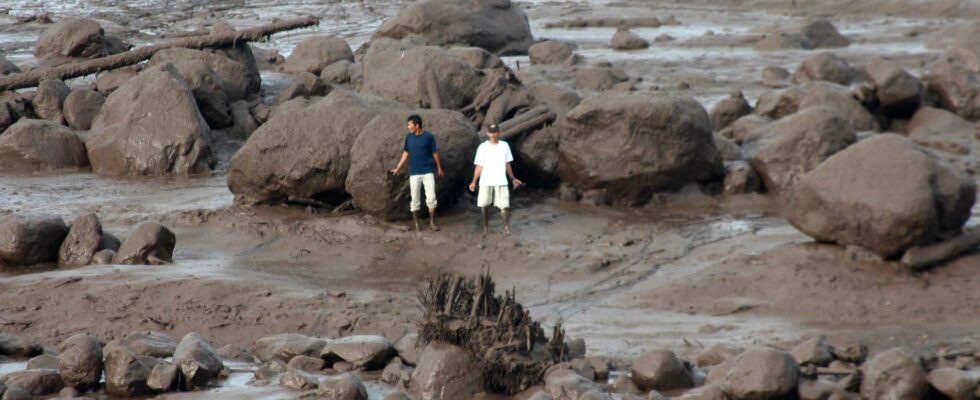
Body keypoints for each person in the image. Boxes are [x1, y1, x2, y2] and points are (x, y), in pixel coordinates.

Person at [390, 114, 444, 231]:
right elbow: (406, 153)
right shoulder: (409, 137)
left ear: (417, 125)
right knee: (415, 199)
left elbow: (435, 153)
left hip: (428, 172)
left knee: (431, 198)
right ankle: (417, 224)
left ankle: (432, 222)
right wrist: (398, 168)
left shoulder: (429, 137)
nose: (408, 127)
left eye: (410, 125)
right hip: (414, 173)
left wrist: (439, 168)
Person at [468, 123, 523, 235]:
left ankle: (506, 228)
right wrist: (474, 181)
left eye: (495, 132)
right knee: (483, 204)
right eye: (491, 132)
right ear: (488, 133)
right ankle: (485, 228)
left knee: (504, 206)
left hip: (501, 180)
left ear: (498, 133)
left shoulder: (504, 146)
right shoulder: (482, 147)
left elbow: (507, 164)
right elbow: (479, 166)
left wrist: (512, 178)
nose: (493, 134)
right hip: (485, 180)